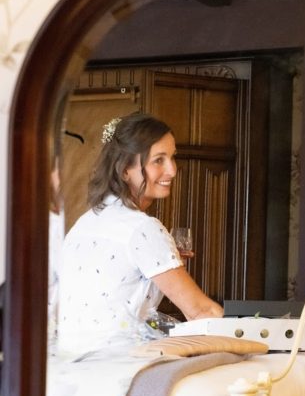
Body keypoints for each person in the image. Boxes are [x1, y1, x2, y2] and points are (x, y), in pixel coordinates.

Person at [57, 113, 223, 356]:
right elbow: (201, 312)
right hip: (119, 364)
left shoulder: (86, 221)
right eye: (158, 160)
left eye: (172, 157)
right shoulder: (142, 228)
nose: (172, 170)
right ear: (125, 170)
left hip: (71, 362)